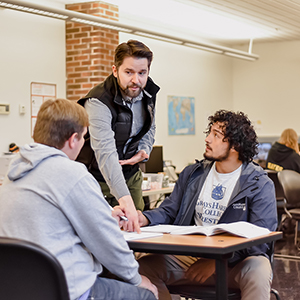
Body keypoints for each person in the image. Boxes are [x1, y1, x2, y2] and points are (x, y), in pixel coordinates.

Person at [0, 99, 158, 300]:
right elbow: (106, 239)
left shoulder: (16, 168)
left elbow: (46, 218)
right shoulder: (71, 172)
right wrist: (137, 279)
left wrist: (106, 215)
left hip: (16, 288)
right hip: (66, 289)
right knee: (146, 295)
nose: (84, 143)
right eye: (84, 137)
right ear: (73, 139)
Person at [136, 110, 277, 300]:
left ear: (235, 145)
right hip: (193, 256)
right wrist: (144, 218)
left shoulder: (258, 183)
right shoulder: (193, 174)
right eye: (209, 133)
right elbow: (169, 210)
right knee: (141, 267)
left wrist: (220, 260)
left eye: (216, 135)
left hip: (235, 262)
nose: (208, 139)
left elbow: (262, 237)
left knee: (259, 270)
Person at [77, 39, 160, 233]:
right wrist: (125, 200)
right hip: (97, 179)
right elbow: (105, 154)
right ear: (115, 70)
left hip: (131, 176)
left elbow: (150, 127)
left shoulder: (148, 91)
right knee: (102, 237)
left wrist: (144, 149)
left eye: (142, 73)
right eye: (129, 72)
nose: (136, 80)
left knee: (137, 237)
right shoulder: (98, 101)